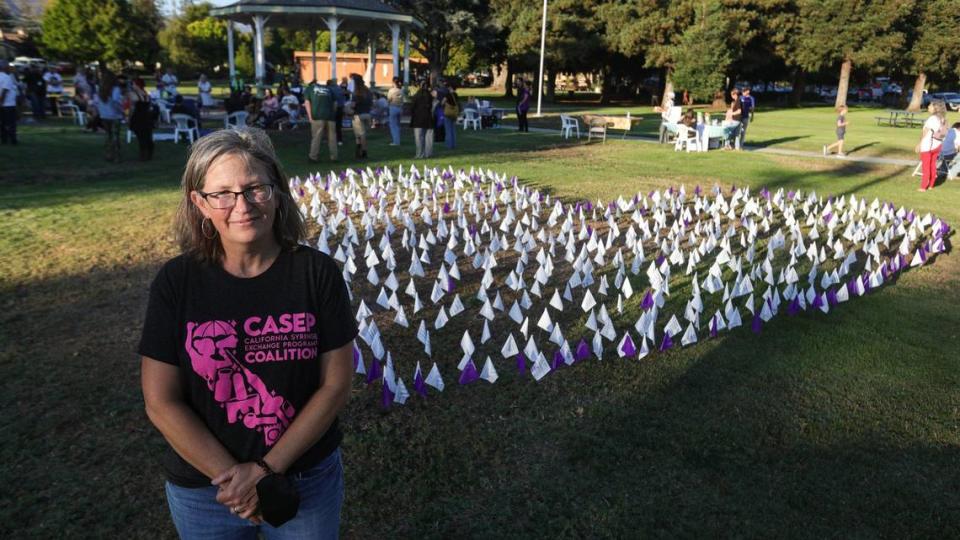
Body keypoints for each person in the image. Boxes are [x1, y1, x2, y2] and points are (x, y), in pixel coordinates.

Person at [138, 127, 356, 539]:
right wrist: (237, 482)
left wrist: (265, 472)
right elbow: (160, 400)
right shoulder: (177, 281)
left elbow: (335, 385)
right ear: (199, 203)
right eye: (222, 193)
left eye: (255, 187)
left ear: (276, 191)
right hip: (207, 489)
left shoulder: (317, 274)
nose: (241, 205)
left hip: (304, 476)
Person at [916, 100, 946, 192]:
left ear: (935, 108)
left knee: (926, 166)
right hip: (937, 145)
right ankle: (931, 185)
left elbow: (925, 132)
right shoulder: (942, 118)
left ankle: (923, 187)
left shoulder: (932, 119)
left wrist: (919, 144)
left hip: (928, 145)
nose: (928, 106)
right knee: (932, 165)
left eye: (930, 105)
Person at [304, 79, 337, 163]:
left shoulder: (309, 89)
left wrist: (310, 117)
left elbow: (307, 103)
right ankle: (334, 157)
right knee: (332, 138)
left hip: (317, 116)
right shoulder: (329, 89)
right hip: (330, 116)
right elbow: (335, 103)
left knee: (316, 137)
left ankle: (313, 157)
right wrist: (333, 113)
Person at [94, 71, 125, 162]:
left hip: (104, 115)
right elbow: (116, 101)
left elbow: (98, 102)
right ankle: (117, 156)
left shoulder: (101, 89)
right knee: (116, 135)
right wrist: (121, 110)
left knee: (108, 135)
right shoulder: (115, 89)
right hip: (114, 115)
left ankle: (108, 154)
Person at [129, 77, 154, 161]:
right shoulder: (146, 93)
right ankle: (148, 153)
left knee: (141, 137)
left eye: (133, 84)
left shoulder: (134, 94)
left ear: (137, 85)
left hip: (138, 117)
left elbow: (132, 107)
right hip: (146, 117)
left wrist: (129, 117)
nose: (132, 85)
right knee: (147, 136)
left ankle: (143, 154)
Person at [410, 81, 434, 159]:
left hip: (418, 119)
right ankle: (428, 153)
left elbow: (412, 108)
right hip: (428, 118)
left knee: (419, 138)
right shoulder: (430, 96)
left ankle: (420, 154)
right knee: (429, 137)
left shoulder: (416, 96)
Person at [351, 76, 372, 159]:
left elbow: (353, 105)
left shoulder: (356, 93)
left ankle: (362, 151)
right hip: (367, 114)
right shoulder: (368, 91)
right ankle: (361, 151)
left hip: (358, 115)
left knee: (359, 135)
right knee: (363, 134)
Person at [0, 60, 18, 145]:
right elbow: (4, 91)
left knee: (3, 123)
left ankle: (4, 140)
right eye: (7, 66)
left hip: (4, 104)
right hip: (7, 104)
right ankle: (13, 139)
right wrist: (1, 102)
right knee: (11, 123)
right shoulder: (6, 77)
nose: (9, 68)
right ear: (4, 67)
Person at [387, 77, 404, 146]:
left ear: (393, 82)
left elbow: (388, 99)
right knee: (398, 125)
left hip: (393, 108)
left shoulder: (391, 90)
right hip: (400, 108)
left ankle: (396, 142)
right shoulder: (401, 90)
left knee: (393, 126)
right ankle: (398, 140)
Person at [442, 84, 460, 150]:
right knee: (453, 130)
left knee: (448, 130)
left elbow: (442, 102)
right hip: (454, 113)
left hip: (448, 113)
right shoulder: (456, 95)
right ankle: (454, 144)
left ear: (450, 87)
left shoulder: (448, 95)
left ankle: (449, 145)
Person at [330, 79, 346, 146]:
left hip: (333, 109)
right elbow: (343, 99)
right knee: (339, 126)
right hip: (340, 108)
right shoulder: (340, 89)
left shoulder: (330, 89)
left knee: (331, 125)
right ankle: (339, 140)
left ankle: (332, 140)